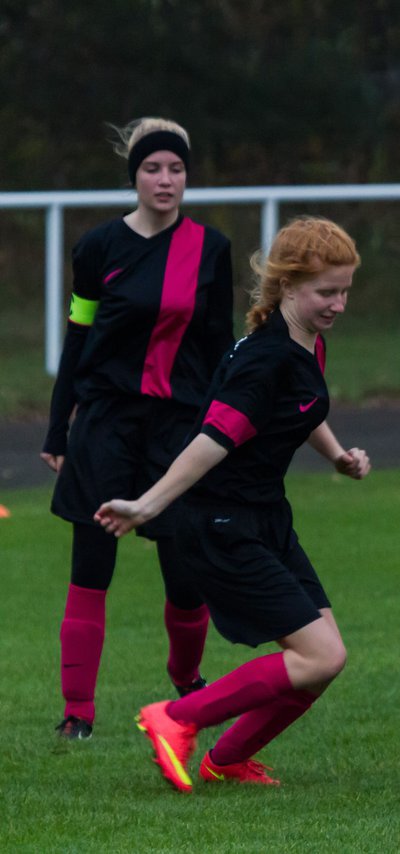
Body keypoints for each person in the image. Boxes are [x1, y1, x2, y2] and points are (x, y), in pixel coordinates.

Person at [94, 216, 369, 793]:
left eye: (344, 290)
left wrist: (338, 456)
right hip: (219, 524)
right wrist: (146, 506)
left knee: (326, 659)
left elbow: (300, 408)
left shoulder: (303, 344)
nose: (338, 304)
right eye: (326, 291)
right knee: (317, 657)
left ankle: (228, 758)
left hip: (266, 518)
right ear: (288, 286)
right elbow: (212, 440)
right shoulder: (263, 360)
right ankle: (177, 718)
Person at [42, 117, 234, 740]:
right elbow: (78, 336)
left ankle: (187, 683)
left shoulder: (211, 250)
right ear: (135, 177)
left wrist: (224, 427)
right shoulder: (97, 248)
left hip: (177, 428)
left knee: (184, 571)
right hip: (104, 422)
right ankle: (78, 713)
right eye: (153, 168)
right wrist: (55, 429)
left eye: (176, 169)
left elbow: (218, 345)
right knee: (91, 561)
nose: (165, 179)